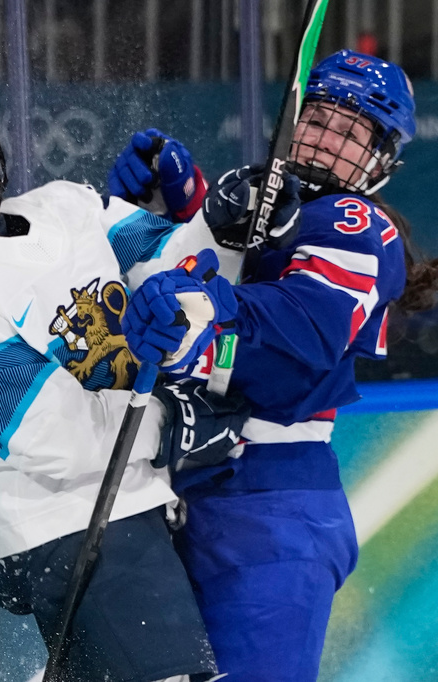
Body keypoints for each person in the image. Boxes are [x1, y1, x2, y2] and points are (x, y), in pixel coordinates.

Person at [0, 87, 254, 682]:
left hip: (129, 501)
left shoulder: (68, 204)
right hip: (66, 522)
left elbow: (179, 266)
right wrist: (172, 424)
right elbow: (52, 440)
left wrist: (222, 226)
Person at [110, 49, 438, 681]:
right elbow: (238, 258)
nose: (325, 139)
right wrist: (181, 204)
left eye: (350, 131)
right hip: (192, 489)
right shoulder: (275, 198)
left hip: (273, 510)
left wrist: (203, 317)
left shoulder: (356, 223)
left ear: (381, 160)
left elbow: (300, 330)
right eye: (317, 118)